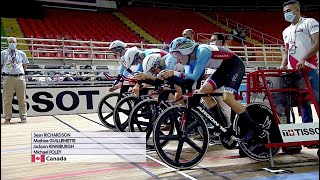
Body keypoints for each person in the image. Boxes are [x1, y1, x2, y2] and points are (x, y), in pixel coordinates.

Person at [161, 37, 262, 142]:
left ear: (185, 50)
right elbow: (189, 81)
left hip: (235, 66)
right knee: (202, 92)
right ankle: (221, 126)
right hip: (222, 69)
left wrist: (174, 73)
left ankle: (253, 128)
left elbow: (194, 76)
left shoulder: (202, 51)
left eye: (177, 55)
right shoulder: (189, 60)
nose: (177, 60)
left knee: (228, 98)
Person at [280, 0, 319, 123]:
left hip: (310, 68)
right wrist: (283, 65)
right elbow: (287, 51)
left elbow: (317, 43)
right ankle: (308, 134)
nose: (287, 13)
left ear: (297, 10)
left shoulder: (310, 22)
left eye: (289, 10)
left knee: (317, 99)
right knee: (302, 101)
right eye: (285, 12)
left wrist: (303, 59)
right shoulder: (285, 31)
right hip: (294, 71)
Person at [1, 37, 29, 124]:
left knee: (22, 98)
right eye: (10, 42)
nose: (12, 43)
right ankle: (7, 118)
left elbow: (25, 66)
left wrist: (19, 73)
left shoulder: (22, 53)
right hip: (8, 77)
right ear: (7, 43)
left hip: (20, 77)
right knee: (7, 99)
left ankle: (23, 116)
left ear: (16, 43)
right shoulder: (2, 53)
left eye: (13, 42)